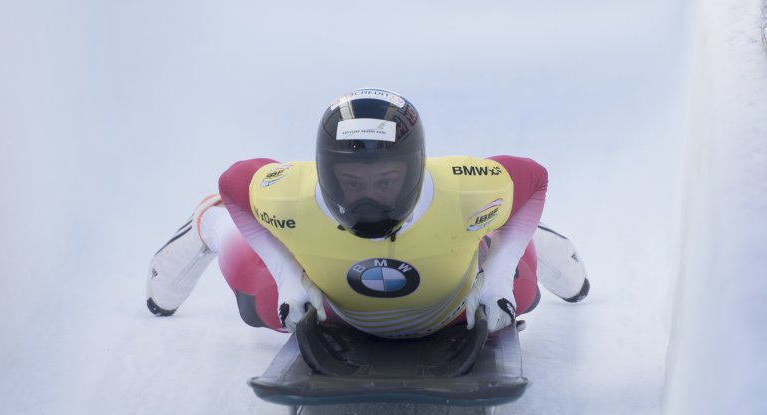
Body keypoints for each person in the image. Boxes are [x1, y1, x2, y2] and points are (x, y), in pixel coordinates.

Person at [146, 88, 588, 339]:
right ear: (325, 170)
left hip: (453, 308)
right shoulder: (292, 195)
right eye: (353, 182)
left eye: (386, 181)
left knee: (520, 289)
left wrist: (495, 279)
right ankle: (211, 223)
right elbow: (234, 184)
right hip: (331, 311)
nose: (368, 200)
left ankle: (501, 230)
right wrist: (287, 280)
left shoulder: (462, 187)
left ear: (415, 169)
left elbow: (532, 180)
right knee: (258, 300)